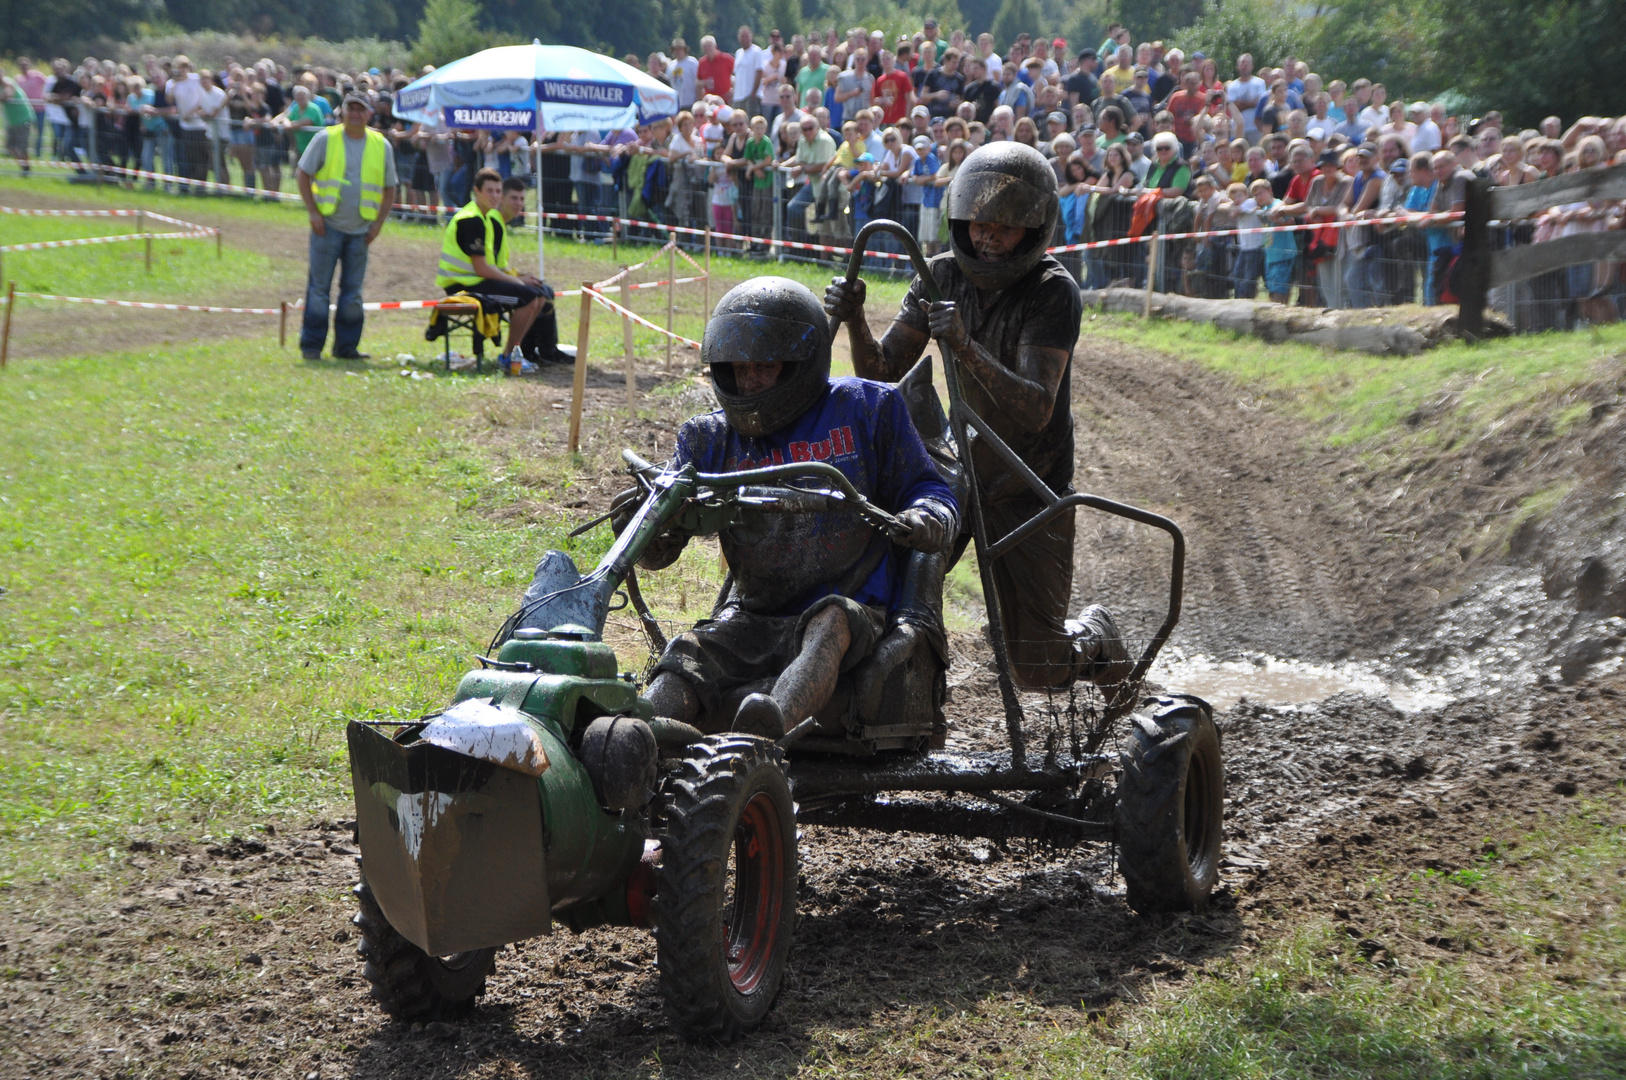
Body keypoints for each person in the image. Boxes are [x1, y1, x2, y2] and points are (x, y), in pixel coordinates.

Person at [824, 142, 1130, 690]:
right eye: (979, 223)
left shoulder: (1053, 292)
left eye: (1004, 228)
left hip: (1032, 486)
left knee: (1035, 667)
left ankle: (1097, 636)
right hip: (960, 478)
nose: (988, 237)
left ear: (1034, 229)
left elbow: (1036, 406)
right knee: (889, 596)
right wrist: (852, 318)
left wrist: (964, 345)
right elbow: (881, 369)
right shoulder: (940, 274)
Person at [630, 277, 960, 738]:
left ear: (802, 361)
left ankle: (765, 735)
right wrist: (644, 523)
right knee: (690, 653)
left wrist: (926, 518)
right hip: (752, 615)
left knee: (829, 622)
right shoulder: (706, 437)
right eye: (737, 367)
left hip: (853, 608)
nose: (749, 380)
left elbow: (933, 489)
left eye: (764, 366)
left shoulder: (868, 409)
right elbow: (658, 554)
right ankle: (636, 734)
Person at [295, 93, 396, 361]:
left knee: (352, 293)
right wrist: (313, 213)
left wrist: (378, 224)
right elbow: (302, 174)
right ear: (343, 112)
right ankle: (312, 347)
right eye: (350, 109)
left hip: (361, 231)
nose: (354, 114)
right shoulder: (326, 138)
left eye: (360, 110)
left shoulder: (381, 145)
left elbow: (389, 188)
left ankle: (346, 347)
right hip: (326, 227)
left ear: (369, 114)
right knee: (318, 289)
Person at [436, 168, 551, 373]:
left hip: (476, 281)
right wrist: (517, 282)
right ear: (476, 191)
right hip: (463, 286)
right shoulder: (471, 219)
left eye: (498, 191)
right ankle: (509, 357)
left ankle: (520, 353)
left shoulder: (485, 218)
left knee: (539, 294)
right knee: (532, 297)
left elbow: (492, 266)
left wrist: (517, 278)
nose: (495, 196)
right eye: (490, 191)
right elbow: (482, 269)